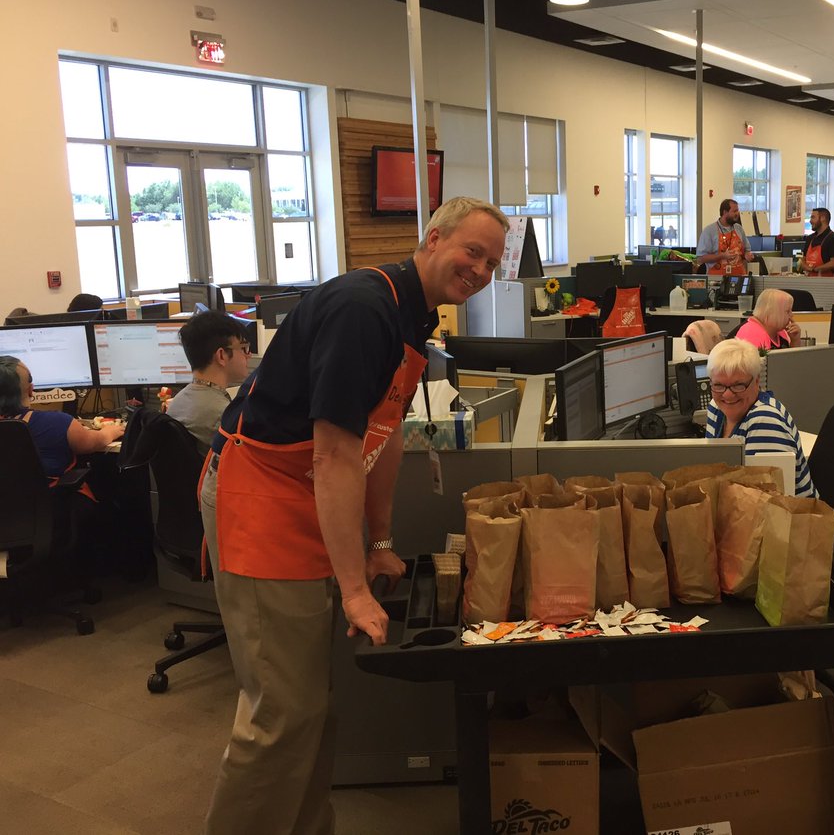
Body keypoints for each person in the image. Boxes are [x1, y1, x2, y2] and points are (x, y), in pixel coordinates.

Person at [200, 196, 509, 835]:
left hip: (308, 493)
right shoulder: (363, 309)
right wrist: (354, 589)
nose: (481, 270)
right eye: (472, 252)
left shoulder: (412, 311)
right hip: (262, 499)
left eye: (492, 263)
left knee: (311, 706)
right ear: (433, 238)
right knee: (280, 713)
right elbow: (336, 452)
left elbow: (383, 430)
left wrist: (380, 539)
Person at [703, 339, 817, 499]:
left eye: (738, 385)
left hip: (784, 513)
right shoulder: (716, 408)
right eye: (719, 385)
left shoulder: (765, 420)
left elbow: (768, 502)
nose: (727, 395)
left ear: (756, 381)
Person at [0, 355, 125, 486]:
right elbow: (91, 443)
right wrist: (109, 432)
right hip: (50, 495)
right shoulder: (56, 422)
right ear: (31, 390)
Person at [166, 310, 251, 456]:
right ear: (221, 355)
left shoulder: (178, 401)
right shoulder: (222, 416)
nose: (248, 355)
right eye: (243, 348)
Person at [696, 199, 755, 275]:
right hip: (716, 279)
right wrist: (722, 256)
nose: (737, 213)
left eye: (737, 211)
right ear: (725, 212)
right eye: (734, 211)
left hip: (739, 277)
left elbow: (747, 250)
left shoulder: (739, 228)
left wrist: (747, 255)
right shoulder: (709, 231)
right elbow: (701, 259)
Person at [735, 288, 801, 351]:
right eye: (787, 311)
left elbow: (793, 358)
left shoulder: (779, 330)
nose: (791, 315)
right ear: (773, 312)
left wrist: (795, 340)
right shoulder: (751, 334)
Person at [801, 208, 834, 277]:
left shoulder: (833, 239)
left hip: (826, 281)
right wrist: (806, 267)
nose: (810, 221)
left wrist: (816, 269)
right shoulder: (809, 238)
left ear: (823, 218)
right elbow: (803, 259)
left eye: (813, 217)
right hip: (809, 280)